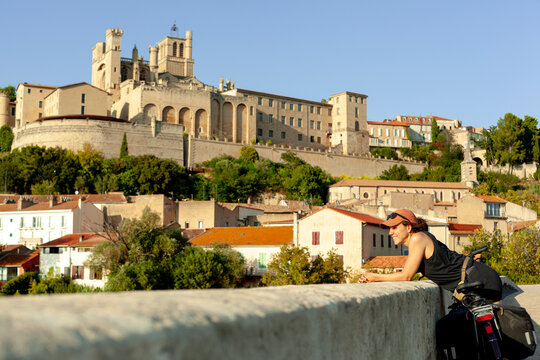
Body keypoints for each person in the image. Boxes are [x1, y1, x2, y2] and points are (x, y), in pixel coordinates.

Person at [362, 209, 502, 303]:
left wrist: (374, 277)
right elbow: (402, 274)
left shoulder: (418, 238)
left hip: (480, 280)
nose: (390, 233)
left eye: (394, 228)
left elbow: (406, 276)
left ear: (408, 227)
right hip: (477, 279)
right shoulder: (419, 241)